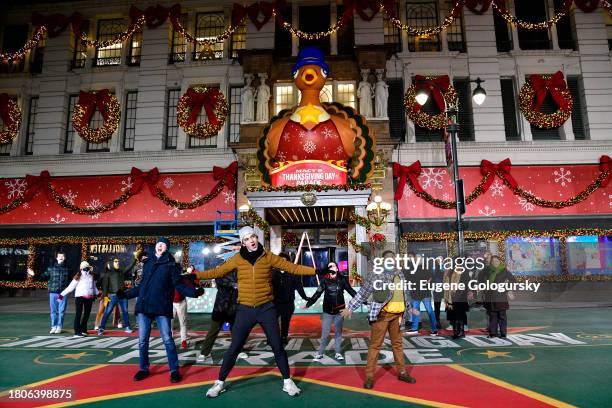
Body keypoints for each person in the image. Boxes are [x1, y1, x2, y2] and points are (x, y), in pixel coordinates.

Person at [195, 226, 315, 398]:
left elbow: (292, 268)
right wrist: (195, 276)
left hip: (266, 308)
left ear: (256, 238)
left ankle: (287, 382)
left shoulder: (267, 257)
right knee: (234, 347)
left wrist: (317, 271)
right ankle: (219, 382)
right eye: (247, 239)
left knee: (277, 345)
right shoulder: (237, 259)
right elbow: (217, 272)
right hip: (244, 309)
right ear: (243, 243)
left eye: (253, 236)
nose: (251, 240)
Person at [124, 237, 204, 383]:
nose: (160, 246)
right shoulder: (147, 263)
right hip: (144, 307)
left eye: (163, 245)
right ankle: (143, 368)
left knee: (167, 339)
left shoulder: (172, 265)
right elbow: (142, 286)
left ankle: (174, 370)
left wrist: (193, 292)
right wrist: (126, 294)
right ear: (155, 247)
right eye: (158, 244)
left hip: (161, 307)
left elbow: (178, 285)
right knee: (142, 341)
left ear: (166, 248)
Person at [341, 250, 416, 389]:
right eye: (387, 258)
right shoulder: (376, 275)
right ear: (382, 261)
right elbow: (363, 293)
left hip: (398, 316)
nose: (390, 261)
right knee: (375, 345)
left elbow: (405, 293)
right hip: (382, 315)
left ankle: (402, 372)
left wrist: (410, 308)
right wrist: (350, 307)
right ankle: (369, 377)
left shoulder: (400, 274)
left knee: (398, 344)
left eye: (392, 259)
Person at [306, 261, 356, 361]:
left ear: (337, 269)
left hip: (340, 311)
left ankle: (338, 353)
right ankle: (320, 353)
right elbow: (317, 293)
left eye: (333, 266)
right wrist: (309, 303)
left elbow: (351, 291)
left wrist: (363, 301)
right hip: (328, 311)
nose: (331, 267)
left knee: (338, 333)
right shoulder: (324, 281)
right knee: (325, 333)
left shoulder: (342, 280)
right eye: (329, 266)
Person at [198, 268, 238, 363]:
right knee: (213, 331)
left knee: (237, 332)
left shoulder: (240, 272)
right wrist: (233, 284)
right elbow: (219, 280)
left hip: (233, 308)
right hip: (220, 308)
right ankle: (204, 353)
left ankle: (238, 351)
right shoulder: (221, 271)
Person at [27, 251, 72, 334]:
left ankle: (59, 327)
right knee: (53, 311)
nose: (61, 257)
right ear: (56, 258)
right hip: (53, 293)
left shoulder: (68, 269)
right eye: (59, 256)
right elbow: (42, 277)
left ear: (65, 258)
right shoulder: (51, 268)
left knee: (61, 311)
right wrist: (33, 274)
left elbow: (72, 281)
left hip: (63, 294)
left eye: (62, 256)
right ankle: (53, 326)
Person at [272, 253, 309, 346]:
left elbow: (299, 287)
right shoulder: (272, 273)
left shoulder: (292, 274)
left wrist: (305, 297)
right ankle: (273, 338)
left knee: (285, 321)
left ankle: (284, 337)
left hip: (288, 302)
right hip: (274, 302)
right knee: (272, 322)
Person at [58, 261, 99, 337]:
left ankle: (83, 329)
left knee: (87, 314)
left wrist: (98, 294)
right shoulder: (78, 277)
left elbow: (94, 287)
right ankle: (77, 332)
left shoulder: (91, 276)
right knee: (78, 314)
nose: (87, 269)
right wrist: (61, 295)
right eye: (86, 267)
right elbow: (70, 288)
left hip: (89, 298)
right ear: (82, 268)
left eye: (88, 267)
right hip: (79, 298)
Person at [480, 255, 516, 338]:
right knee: (492, 315)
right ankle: (493, 333)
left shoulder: (504, 271)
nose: (494, 263)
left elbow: (513, 281)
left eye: (496, 261)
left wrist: (506, 288)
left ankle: (503, 333)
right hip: (490, 296)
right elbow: (480, 277)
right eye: (493, 261)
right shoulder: (487, 270)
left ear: (499, 262)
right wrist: (484, 286)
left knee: (502, 315)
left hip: (501, 297)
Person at [98, 258, 133, 335]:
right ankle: (101, 328)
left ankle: (127, 327)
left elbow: (129, 267)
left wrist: (135, 259)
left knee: (125, 311)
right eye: (115, 261)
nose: (118, 263)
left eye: (118, 261)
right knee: (107, 312)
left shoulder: (121, 272)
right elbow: (105, 287)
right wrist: (106, 298)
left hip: (122, 295)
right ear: (111, 263)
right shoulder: (107, 274)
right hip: (112, 296)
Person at [405, 254, 437, 336]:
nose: (418, 260)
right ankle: (414, 328)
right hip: (416, 293)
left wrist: (430, 280)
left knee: (429, 311)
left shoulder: (426, 267)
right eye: (417, 259)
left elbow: (432, 277)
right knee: (416, 311)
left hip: (425, 293)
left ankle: (434, 329)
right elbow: (407, 278)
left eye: (419, 259)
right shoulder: (411, 268)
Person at [173, 267, 199, 349]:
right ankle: (173, 339)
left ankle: (183, 340)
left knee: (182, 322)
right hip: (171, 303)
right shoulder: (169, 277)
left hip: (181, 302)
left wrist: (195, 289)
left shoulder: (183, 279)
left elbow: (191, 286)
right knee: (170, 322)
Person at [444, 266, 472, 339]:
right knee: (453, 315)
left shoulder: (463, 271)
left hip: (460, 296)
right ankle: (456, 332)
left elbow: (467, 283)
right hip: (450, 297)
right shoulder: (450, 271)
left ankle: (460, 332)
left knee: (459, 315)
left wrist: (469, 292)